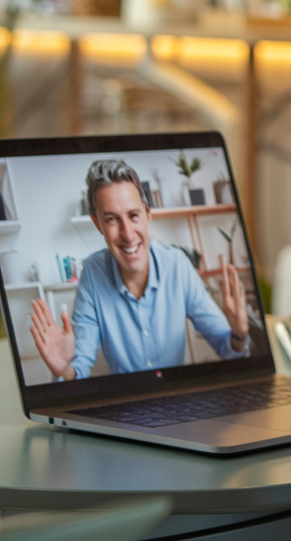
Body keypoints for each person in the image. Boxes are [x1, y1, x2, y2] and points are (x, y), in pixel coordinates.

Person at [29, 159, 251, 381]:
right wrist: (64, 368)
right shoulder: (92, 276)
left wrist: (239, 334)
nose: (128, 234)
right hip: (126, 405)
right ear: (97, 224)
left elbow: (226, 346)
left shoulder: (178, 266)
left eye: (134, 216)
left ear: (147, 213)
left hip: (177, 399)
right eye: (112, 220)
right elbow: (80, 368)